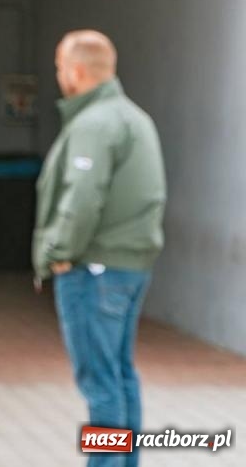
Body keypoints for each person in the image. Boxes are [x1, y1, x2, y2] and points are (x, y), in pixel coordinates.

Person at [35, 30, 166, 464]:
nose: (58, 76)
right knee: (121, 377)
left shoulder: (94, 124)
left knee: (100, 386)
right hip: (129, 267)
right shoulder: (134, 118)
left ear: (75, 71)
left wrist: (58, 253)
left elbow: (82, 197)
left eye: (58, 67)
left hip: (94, 270)